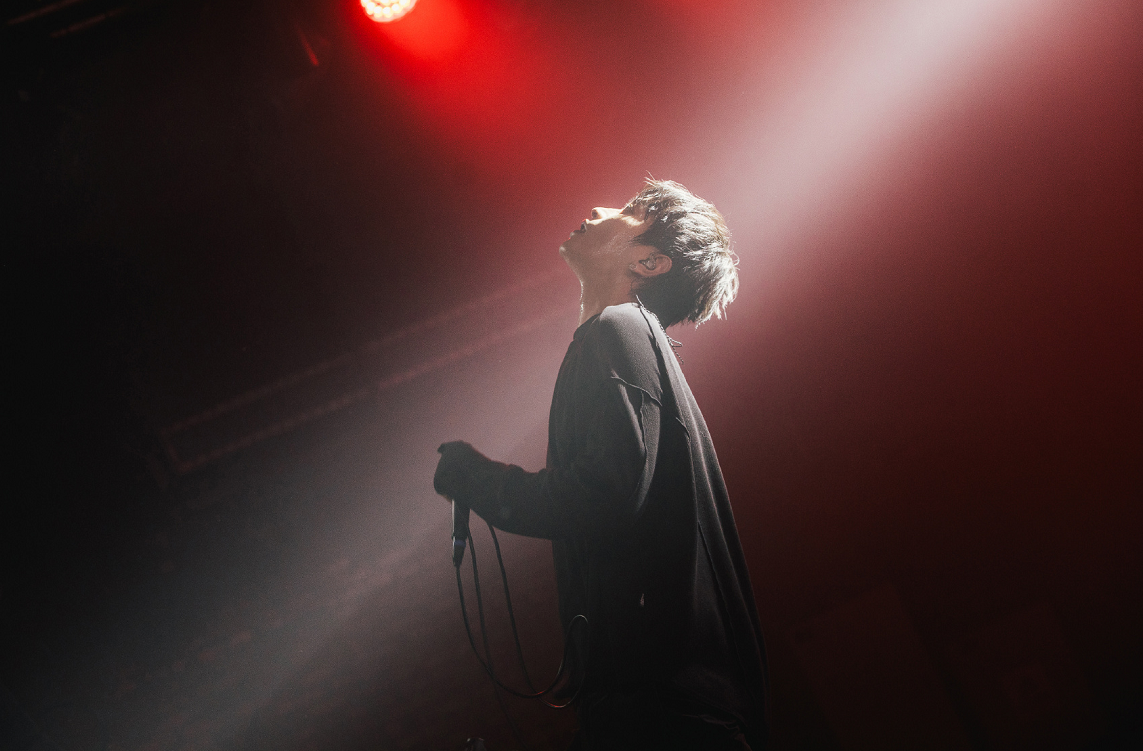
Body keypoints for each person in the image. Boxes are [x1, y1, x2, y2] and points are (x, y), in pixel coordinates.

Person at [433, 179, 768, 750]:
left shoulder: (620, 330)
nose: (600, 208)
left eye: (634, 211)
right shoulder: (625, 339)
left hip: (663, 715)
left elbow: (602, 496)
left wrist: (477, 480)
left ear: (650, 262)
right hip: (663, 709)